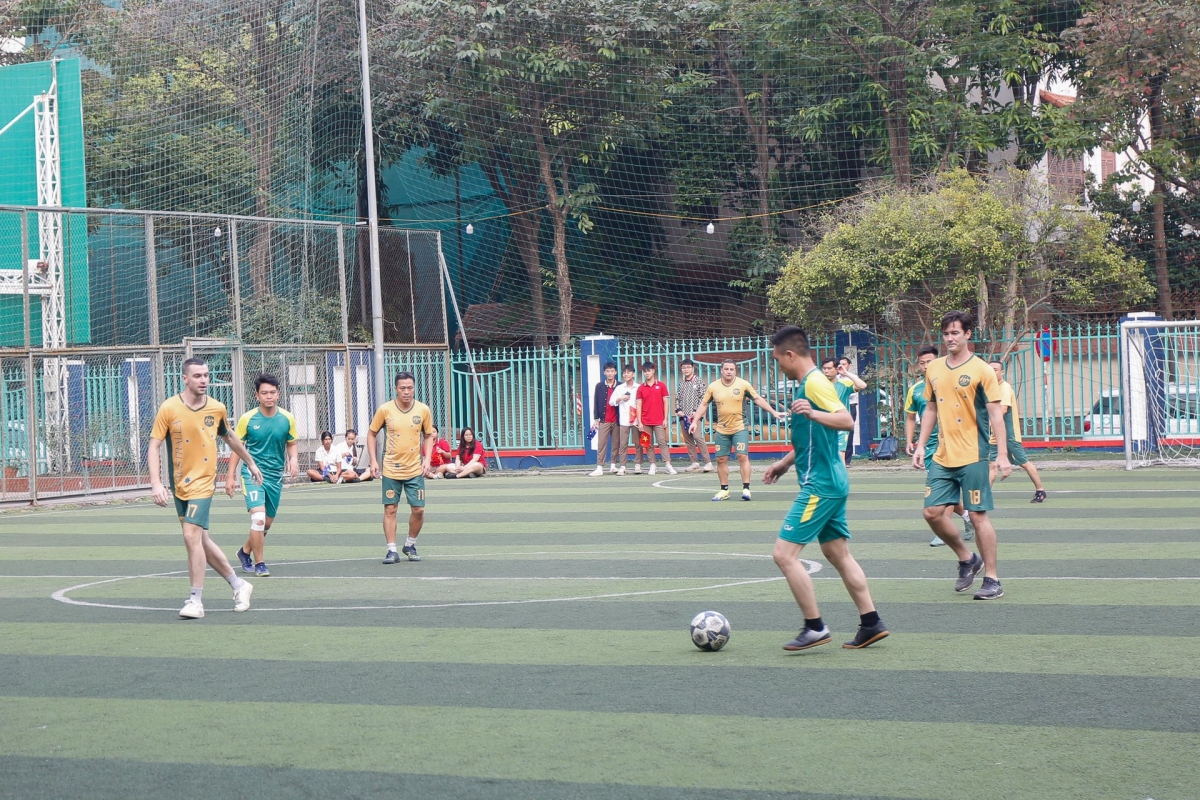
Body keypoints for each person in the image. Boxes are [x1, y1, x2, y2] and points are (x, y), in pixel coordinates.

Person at [764, 326, 889, 651]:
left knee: (784, 554)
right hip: (831, 479)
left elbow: (845, 420)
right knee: (837, 553)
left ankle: (815, 626)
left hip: (820, 484)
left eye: (778, 360)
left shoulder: (815, 383)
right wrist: (785, 463)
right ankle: (871, 622)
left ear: (791, 355)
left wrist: (813, 412)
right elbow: (812, 436)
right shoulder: (812, 383)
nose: (779, 366)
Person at [148, 357, 258, 619]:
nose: (204, 380)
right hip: (179, 484)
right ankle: (239, 584)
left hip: (204, 483)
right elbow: (153, 445)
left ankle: (195, 600)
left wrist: (250, 463)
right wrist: (155, 482)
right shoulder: (169, 408)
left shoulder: (217, 408)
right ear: (184, 379)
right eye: (197, 376)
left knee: (190, 537)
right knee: (200, 541)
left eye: (206, 375)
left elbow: (229, 437)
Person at [912, 310, 1011, 601]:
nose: (950, 338)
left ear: (968, 334)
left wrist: (1002, 454)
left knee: (978, 516)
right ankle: (968, 559)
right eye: (946, 333)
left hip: (974, 454)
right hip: (943, 455)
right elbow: (930, 408)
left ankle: (992, 579)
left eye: (955, 332)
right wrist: (920, 445)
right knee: (931, 512)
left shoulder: (982, 369)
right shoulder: (934, 368)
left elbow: (995, 414)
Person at [226, 372, 299, 578]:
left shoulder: (287, 418)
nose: (269, 396)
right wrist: (230, 476)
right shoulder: (247, 419)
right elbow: (236, 448)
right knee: (258, 518)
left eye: (272, 393)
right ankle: (260, 564)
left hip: (275, 476)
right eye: (264, 393)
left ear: (278, 394)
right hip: (252, 474)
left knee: (265, 523)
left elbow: (292, 443)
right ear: (257, 395)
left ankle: (244, 552)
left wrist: (293, 459)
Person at [904, 345, 975, 547]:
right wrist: (912, 441)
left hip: (953, 442)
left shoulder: (950, 382)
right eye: (922, 362)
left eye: (930, 362)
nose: (926, 366)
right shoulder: (915, 389)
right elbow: (911, 417)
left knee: (944, 488)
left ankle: (944, 530)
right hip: (929, 446)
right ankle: (967, 515)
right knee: (943, 490)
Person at [689, 360, 787, 501]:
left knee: (742, 456)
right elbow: (704, 404)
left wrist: (773, 411)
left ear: (735, 371)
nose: (729, 371)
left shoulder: (743, 385)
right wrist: (694, 421)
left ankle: (746, 489)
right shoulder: (713, 387)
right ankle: (724, 490)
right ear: (721, 370)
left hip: (739, 427)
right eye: (726, 369)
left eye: (732, 369)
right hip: (722, 429)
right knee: (721, 459)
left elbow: (758, 399)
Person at [368, 371, 435, 563]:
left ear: (414, 388)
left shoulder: (423, 410)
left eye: (410, 388)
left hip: (415, 469)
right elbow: (372, 433)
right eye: (402, 388)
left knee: (419, 510)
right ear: (396, 389)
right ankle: (391, 550)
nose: (406, 392)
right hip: (390, 468)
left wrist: (427, 459)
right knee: (390, 508)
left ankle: (410, 544)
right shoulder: (385, 410)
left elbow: (429, 435)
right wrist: (373, 461)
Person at [988, 360, 1047, 502]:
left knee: (1024, 462)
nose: (992, 372)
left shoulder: (1005, 387)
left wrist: (989, 422)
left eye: (995, 369)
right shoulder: (990, 388)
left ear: (1002, 372)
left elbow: (1003, 409)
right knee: (991, 464)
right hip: (995, 435)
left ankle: (1040, 490)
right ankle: (985, 495)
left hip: (1009, 434)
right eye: (989, 370)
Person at [636, 361, 677, 476]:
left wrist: (665, 419)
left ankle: (668, 465)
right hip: (645, 421)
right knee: (647, 444)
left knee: (662, 442)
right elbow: (638, 405)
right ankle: (652, 465)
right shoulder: (641, 388)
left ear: (653, 371)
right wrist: (639, 422)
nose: (646, 373)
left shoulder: (662, 385)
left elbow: (666, 403)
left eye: (648, 371)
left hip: (659, 420)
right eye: (644, 371)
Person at [675, 358, 714, 472]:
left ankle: (708, 462)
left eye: (688, 367)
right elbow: (677, 398)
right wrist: (679, 411)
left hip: (695, 417)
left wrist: (696, 411)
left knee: (697, 437)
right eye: (683, 368)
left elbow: (704, 398)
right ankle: (694, 462)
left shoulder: (699, 382)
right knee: (688, 440)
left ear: (692, 368)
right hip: (683, 416)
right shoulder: (681, 384)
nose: (686, 369)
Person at [609, 364, 643, 475]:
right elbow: (611, 402)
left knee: (638, 443)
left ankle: (638, 465)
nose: (626, 375)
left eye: (628, 372)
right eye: (624, 373)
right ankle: (622, 466)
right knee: (623, 444)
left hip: (636, 420)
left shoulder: (639, 387)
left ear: (633, 374)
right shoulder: (619, 388)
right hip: (624, 420)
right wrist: (620, 398)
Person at [588, 362, 620, 477]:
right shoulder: (599, 386)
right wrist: (596, 418)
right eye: (607, 371)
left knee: (616, 443)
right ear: (604, 372)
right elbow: (596, 402)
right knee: (601, 443)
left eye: (612, 371)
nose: (610, 373)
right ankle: (599, 467)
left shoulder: (620, 386)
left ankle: (613, 465)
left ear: (615, 372)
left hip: (617, 420)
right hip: (604, 420)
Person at [836, 357, 867, 466]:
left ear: (849, 365)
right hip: (836, 409)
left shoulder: (851, 378)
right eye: (840, 364)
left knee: (848, 433)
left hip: (850, 406)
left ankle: (847, 460)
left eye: (844, 364)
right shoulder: (835, 378)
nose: (842, 366)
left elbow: (860, 387)